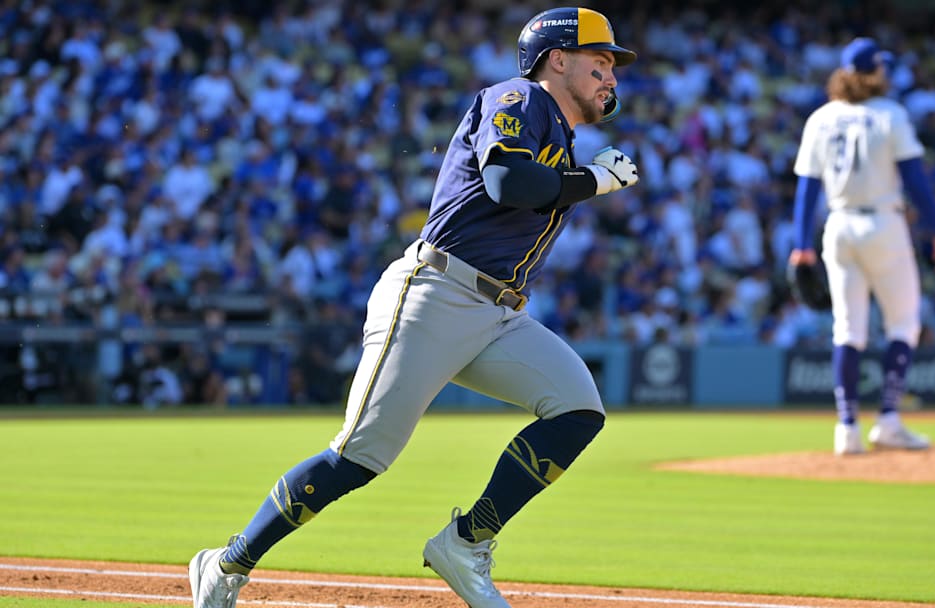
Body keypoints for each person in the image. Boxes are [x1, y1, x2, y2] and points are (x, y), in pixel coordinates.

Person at [188, 7, 639, 608]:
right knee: (359, 456)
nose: (610, 77)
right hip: (435, 294)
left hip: (497, 310)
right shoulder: (520, 97)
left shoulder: (560, 130)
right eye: (599, 61)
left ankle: (466, 542)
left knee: (578, 410)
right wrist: (592, 181)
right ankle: (228, 562)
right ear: (558, 60)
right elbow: (508, 183)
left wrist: (584, 175)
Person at [787, 37, 935, 456]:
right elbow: (915, 180)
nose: (887, 74)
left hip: (839, 226)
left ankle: (846, 429)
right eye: (883, 68)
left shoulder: (821, 118)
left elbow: (807, 189)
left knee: (847, 329)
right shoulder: (890, 114)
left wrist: (800, 244)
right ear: (872, 72)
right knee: (903, 324)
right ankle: (889, 420)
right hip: (884, 224)